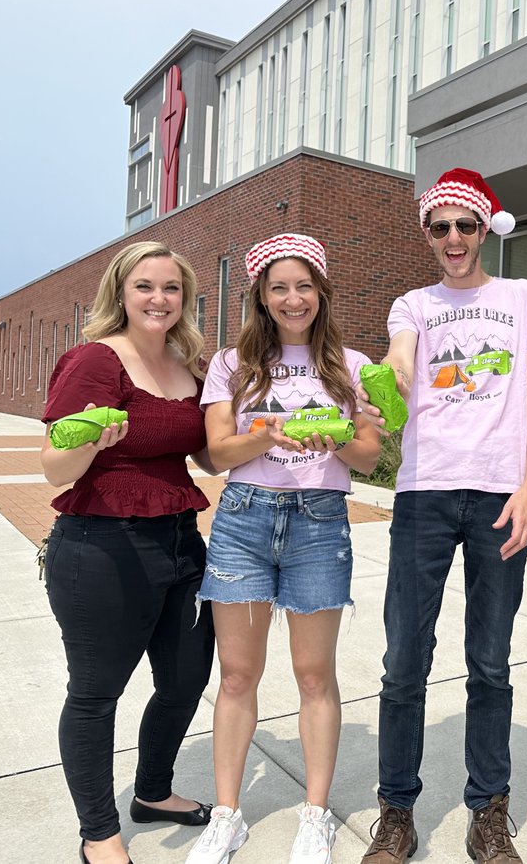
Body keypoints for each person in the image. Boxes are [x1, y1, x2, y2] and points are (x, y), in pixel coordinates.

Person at [356, 168, 527, 864]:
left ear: (485, 230)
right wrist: (391, 381)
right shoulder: (412, 302)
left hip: (503, 494)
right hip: (424, 494)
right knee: (404, 660)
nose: (452, 238)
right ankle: (396, 812)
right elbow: (402, 361)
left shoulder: (524, 297)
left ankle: (489, 811)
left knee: (491, 662)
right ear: (427, 233)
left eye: (464, 226)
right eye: (439, 227)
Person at [184, 234, 381, 864]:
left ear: (321, 294)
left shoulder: (349, 364)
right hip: (244, 518)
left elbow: (370, 457)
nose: (292, 299)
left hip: (320, 521)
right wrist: (266, 432)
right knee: (238, 675)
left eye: (304, 287)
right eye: (279, 288)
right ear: (261, 298)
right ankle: (227, 815)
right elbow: (215, 454)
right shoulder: (231, 364)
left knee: (313, 674)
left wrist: (336, 439)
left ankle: (316, 815)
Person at [41, 241, 218, 864]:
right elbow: (53, 469)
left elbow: (207, 457)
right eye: (145, 286)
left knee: (186, 680)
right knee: (96, 692)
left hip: (181, 542)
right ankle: (99, 834)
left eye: (171, 289)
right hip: (102, 546)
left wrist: (265, 432)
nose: (158, 299)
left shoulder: (188, 364)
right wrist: (94, 442)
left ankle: (152, 792)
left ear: (185, 299)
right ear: (120, 291)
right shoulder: (95, 361)